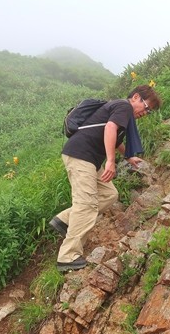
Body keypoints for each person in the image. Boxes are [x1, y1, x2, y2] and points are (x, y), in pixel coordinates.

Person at [50, 85, 161, 271]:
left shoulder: (121, 111)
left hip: (89, 160)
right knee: (87, 205)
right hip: (81, 156)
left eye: (149, 112)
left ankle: (64, 220)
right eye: (147, 108)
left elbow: (114, 138)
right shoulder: (124, 107)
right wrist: (110, 161)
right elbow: (110, 128)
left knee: (109, 194)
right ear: (135, 97)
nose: (146, 113)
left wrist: (128, 156)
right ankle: (67, 256)